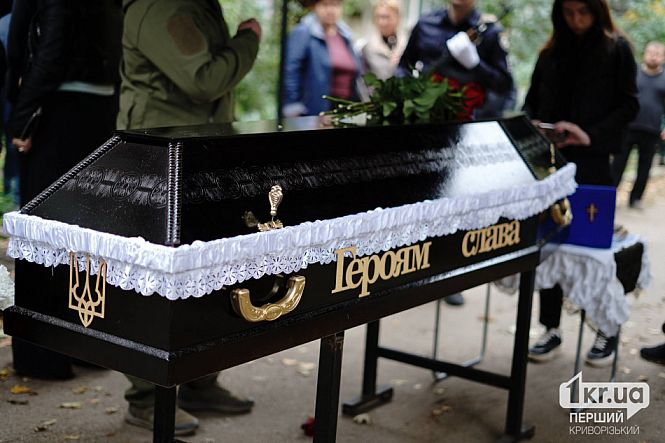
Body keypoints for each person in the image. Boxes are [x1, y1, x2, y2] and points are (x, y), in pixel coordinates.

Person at [117, 0, 261, 435]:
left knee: (208, 271)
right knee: (152, 280)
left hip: (195, 149)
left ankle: (201, 379)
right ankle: (147, 397)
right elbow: (205, 80)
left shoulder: (195, 4)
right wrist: (248, 40)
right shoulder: (161, 6)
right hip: (162, 159)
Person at [6, 0, 122, 381]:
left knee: (43, 233)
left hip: (58, 112)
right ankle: (86, 343)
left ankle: (44, 355)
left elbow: (51, 45)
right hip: (97, 109)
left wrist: (22, 116)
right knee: (87, 230)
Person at [523, 0, 638, 366]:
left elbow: (629, 106)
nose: (576, 20)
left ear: (597, 11)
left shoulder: (617, 49)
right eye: (569, 12)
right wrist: (536, 126)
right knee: (550, 245)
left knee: (592, 248)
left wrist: (589, 134)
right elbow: (531, 102)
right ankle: (550, 327)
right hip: (551, 164)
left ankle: (605, 327)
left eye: (583, 12)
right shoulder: (550, 52)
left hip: (592, 162)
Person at [398, 0, 514, 306]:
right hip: (422, 128)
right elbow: (404, 65)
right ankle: (407, 270)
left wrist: (476, 65)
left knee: (454, 201)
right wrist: (407, 89)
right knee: (417, 197)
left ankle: (448, 274)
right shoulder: (426, 24)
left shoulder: (489, 32)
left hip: (463, 133)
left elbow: (504, 85)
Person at [282, 0, 363, 117]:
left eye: (335, 5)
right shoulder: (304, 32)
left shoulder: (346, 36)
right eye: (325, 5)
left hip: (347, 108)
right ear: (314, 7)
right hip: (317, 110)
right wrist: (293, 106)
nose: (330, 10)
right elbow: (291, 70)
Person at [611, 41, 665, 210]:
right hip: (628, 126)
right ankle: (609, 195)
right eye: (651, 52)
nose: (653, 56)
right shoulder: (633, 73)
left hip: (652, 129)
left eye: (658, 54)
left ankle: (635, 199)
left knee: (645, 166)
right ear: (645, 53)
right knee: (618, 164)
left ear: (663, 58)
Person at [358, 0, 406, 80]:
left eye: (386, 17)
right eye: (378, 17)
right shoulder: (365, 47)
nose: (381, 22)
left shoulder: (408, 44)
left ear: (398, 18)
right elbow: (361, 79)